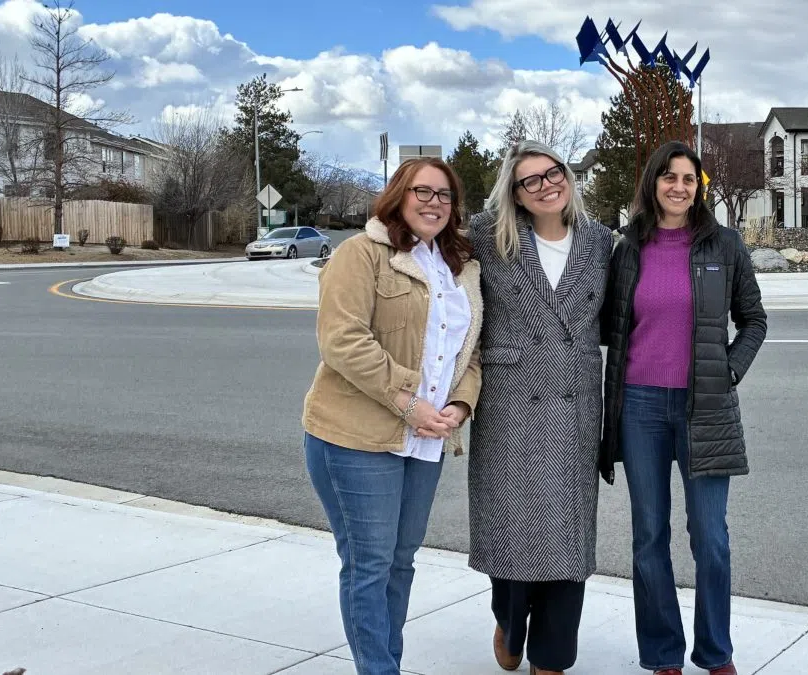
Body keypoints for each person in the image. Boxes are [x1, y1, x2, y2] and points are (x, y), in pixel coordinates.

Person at [301, 157, 483, 675]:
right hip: (356, 439)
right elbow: (342, 340)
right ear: (398, 196)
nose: (434, 203)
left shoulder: (459, 267)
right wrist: (410, 402)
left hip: (426, 441)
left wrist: (460, 404)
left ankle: (387, 664)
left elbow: (471, 352)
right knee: (369, 565)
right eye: (422, 191)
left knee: (399, 565)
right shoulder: (362, 255)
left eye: (445, 195)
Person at [599, 141, 768, 675]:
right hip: (640, 407)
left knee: (711, 538)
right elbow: (609, 325)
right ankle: (663, 654)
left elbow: (754, 320)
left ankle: (716, 652)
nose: (678, 187)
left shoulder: (725, 245)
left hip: (706, 407)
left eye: (688, 179)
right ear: (652, 184)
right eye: (668, 177)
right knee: (650, 536)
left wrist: (730, 369)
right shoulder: (626, 250)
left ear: (700, 188)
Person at [466, 140, 613, 675]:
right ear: (515, 193)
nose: (548, 184)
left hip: (575, 404)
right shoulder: (486, 237)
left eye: (555, 172)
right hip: (510, 404)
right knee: (512, 530)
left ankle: (552, 657)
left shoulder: (599, 241)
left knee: (568, 541)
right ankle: (509, 618)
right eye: (532, 180)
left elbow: (623, 315)